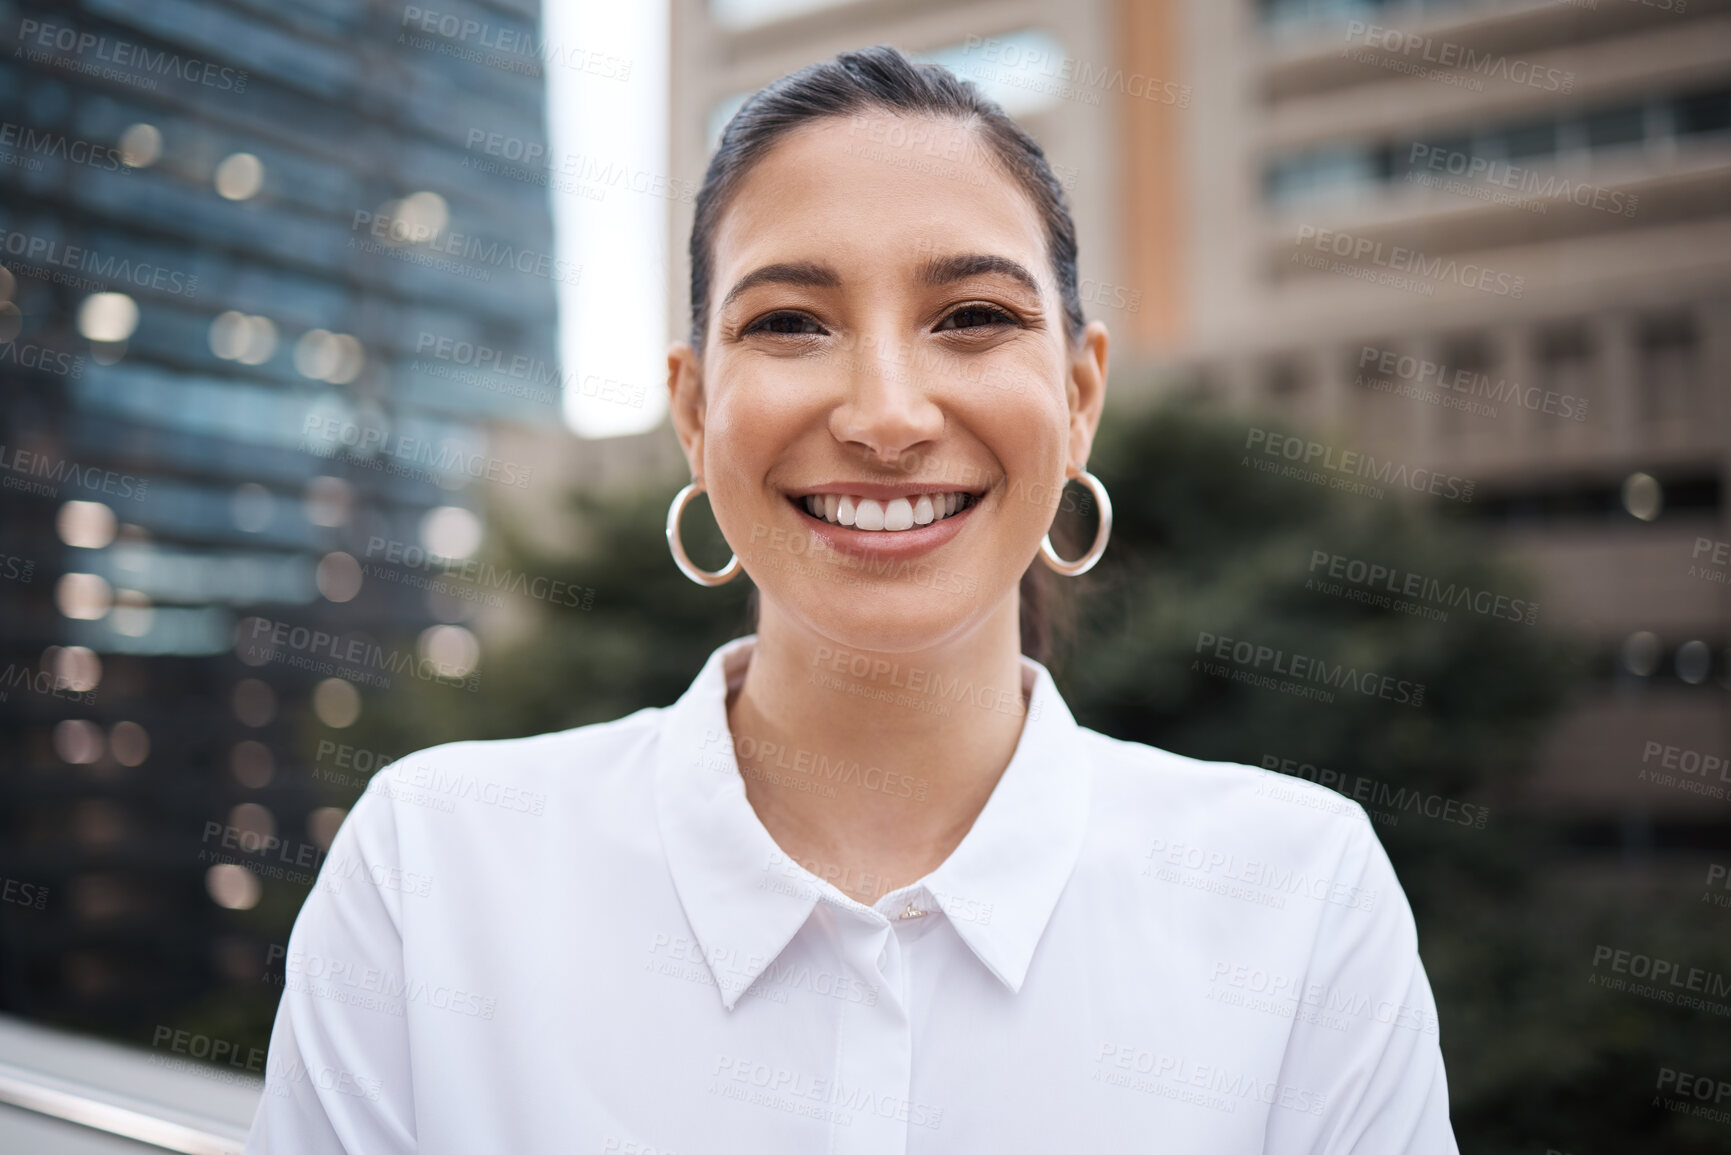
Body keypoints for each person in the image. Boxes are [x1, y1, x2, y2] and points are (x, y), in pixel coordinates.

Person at [246, 45, 1458, 1154]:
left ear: (1081, 396)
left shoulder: (1299, 898)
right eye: (789, 322)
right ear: (694, 410)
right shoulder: (436, 868)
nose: (886, 414)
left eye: (973, 317)